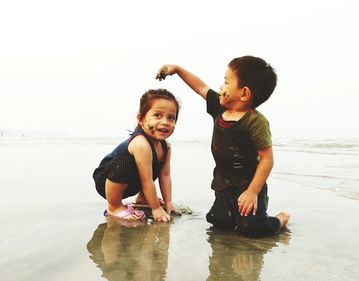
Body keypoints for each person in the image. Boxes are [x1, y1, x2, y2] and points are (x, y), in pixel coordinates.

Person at [156, 56, 290, 236]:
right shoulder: (220, 108)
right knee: (219, 222)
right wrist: (178, 69)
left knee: (252, 229)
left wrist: (252, 191)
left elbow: (267, 159)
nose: (221, 87)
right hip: (223, 181)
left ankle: (280, 219)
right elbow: (200, 87)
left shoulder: (255, 122)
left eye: (226, 82)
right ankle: (232, 214)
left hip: (248, 184)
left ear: (244, 93)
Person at [92, 89, 180, 222]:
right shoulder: (140, 143)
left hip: (131, 183)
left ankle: (143, 198)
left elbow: (165, 175)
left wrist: (168, 203)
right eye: (157, 115)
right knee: (128, 162)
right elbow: (146, 180)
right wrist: (156, 208)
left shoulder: (165, 147)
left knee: (150, 166)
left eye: (171, 117)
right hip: (107, 181)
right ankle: (114, 207)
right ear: (141, 119)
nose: (166, 122)